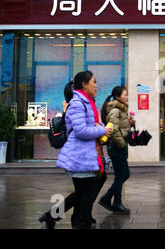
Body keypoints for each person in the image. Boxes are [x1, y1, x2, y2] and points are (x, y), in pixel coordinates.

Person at [38, 77, 111, 229]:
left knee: (81, 193)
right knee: (88, 192)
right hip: (81, 156)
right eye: (93, 82)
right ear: (84, 85)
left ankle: (54, 217)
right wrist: (103, 130)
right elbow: (81, 130)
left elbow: (88, 126)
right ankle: (79, 222)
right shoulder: (78, 104)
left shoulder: (86, 103)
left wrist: (100, 127)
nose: (96, 85)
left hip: (85, 155)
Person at [98, 86, 134, 214]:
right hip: (116, 146)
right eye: (125, 94)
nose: (127, 96)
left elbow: (120, 127)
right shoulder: (115, 110)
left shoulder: (121, 110)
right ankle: (114, 202)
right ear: (117, 97)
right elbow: (113, 131)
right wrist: (122, 143)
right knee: (122, 175)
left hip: (118, 146)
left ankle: (108, 198)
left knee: (123, 174)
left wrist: (129, 124)